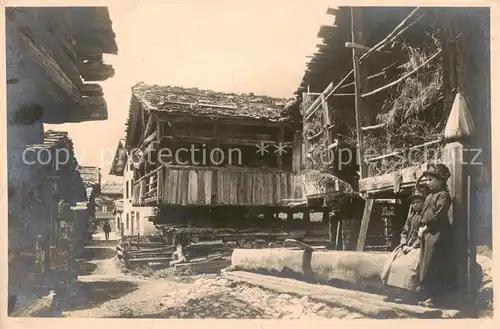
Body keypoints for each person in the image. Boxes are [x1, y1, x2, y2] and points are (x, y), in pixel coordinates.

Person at [417, 163, 454, 307]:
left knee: (434, 264)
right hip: (427, 234)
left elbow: (439, 215)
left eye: (431, 180)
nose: (428, 183)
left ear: (441, 180)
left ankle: (435, 298)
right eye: (427, 180)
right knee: (425, 265)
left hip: (438, 234)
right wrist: (422, 227)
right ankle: (427, 295)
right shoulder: (429, 196)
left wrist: (426, 227)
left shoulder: (443, 195)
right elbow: (423, 214)